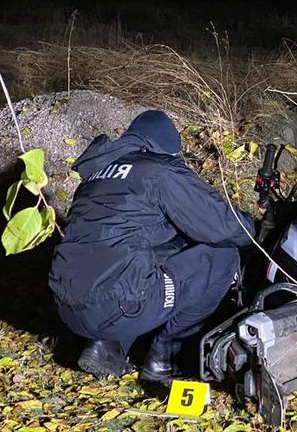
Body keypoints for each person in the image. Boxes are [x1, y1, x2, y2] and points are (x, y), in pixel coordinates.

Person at [49, 110, 255, 382]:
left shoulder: (95, 177)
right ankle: (165, 357)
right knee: (223, 256)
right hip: (120, 305)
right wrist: (253, 226)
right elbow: (224, 227)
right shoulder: (159, 170)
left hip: (68, 308)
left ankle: (107, 345)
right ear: (162, 147)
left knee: (149, 255)